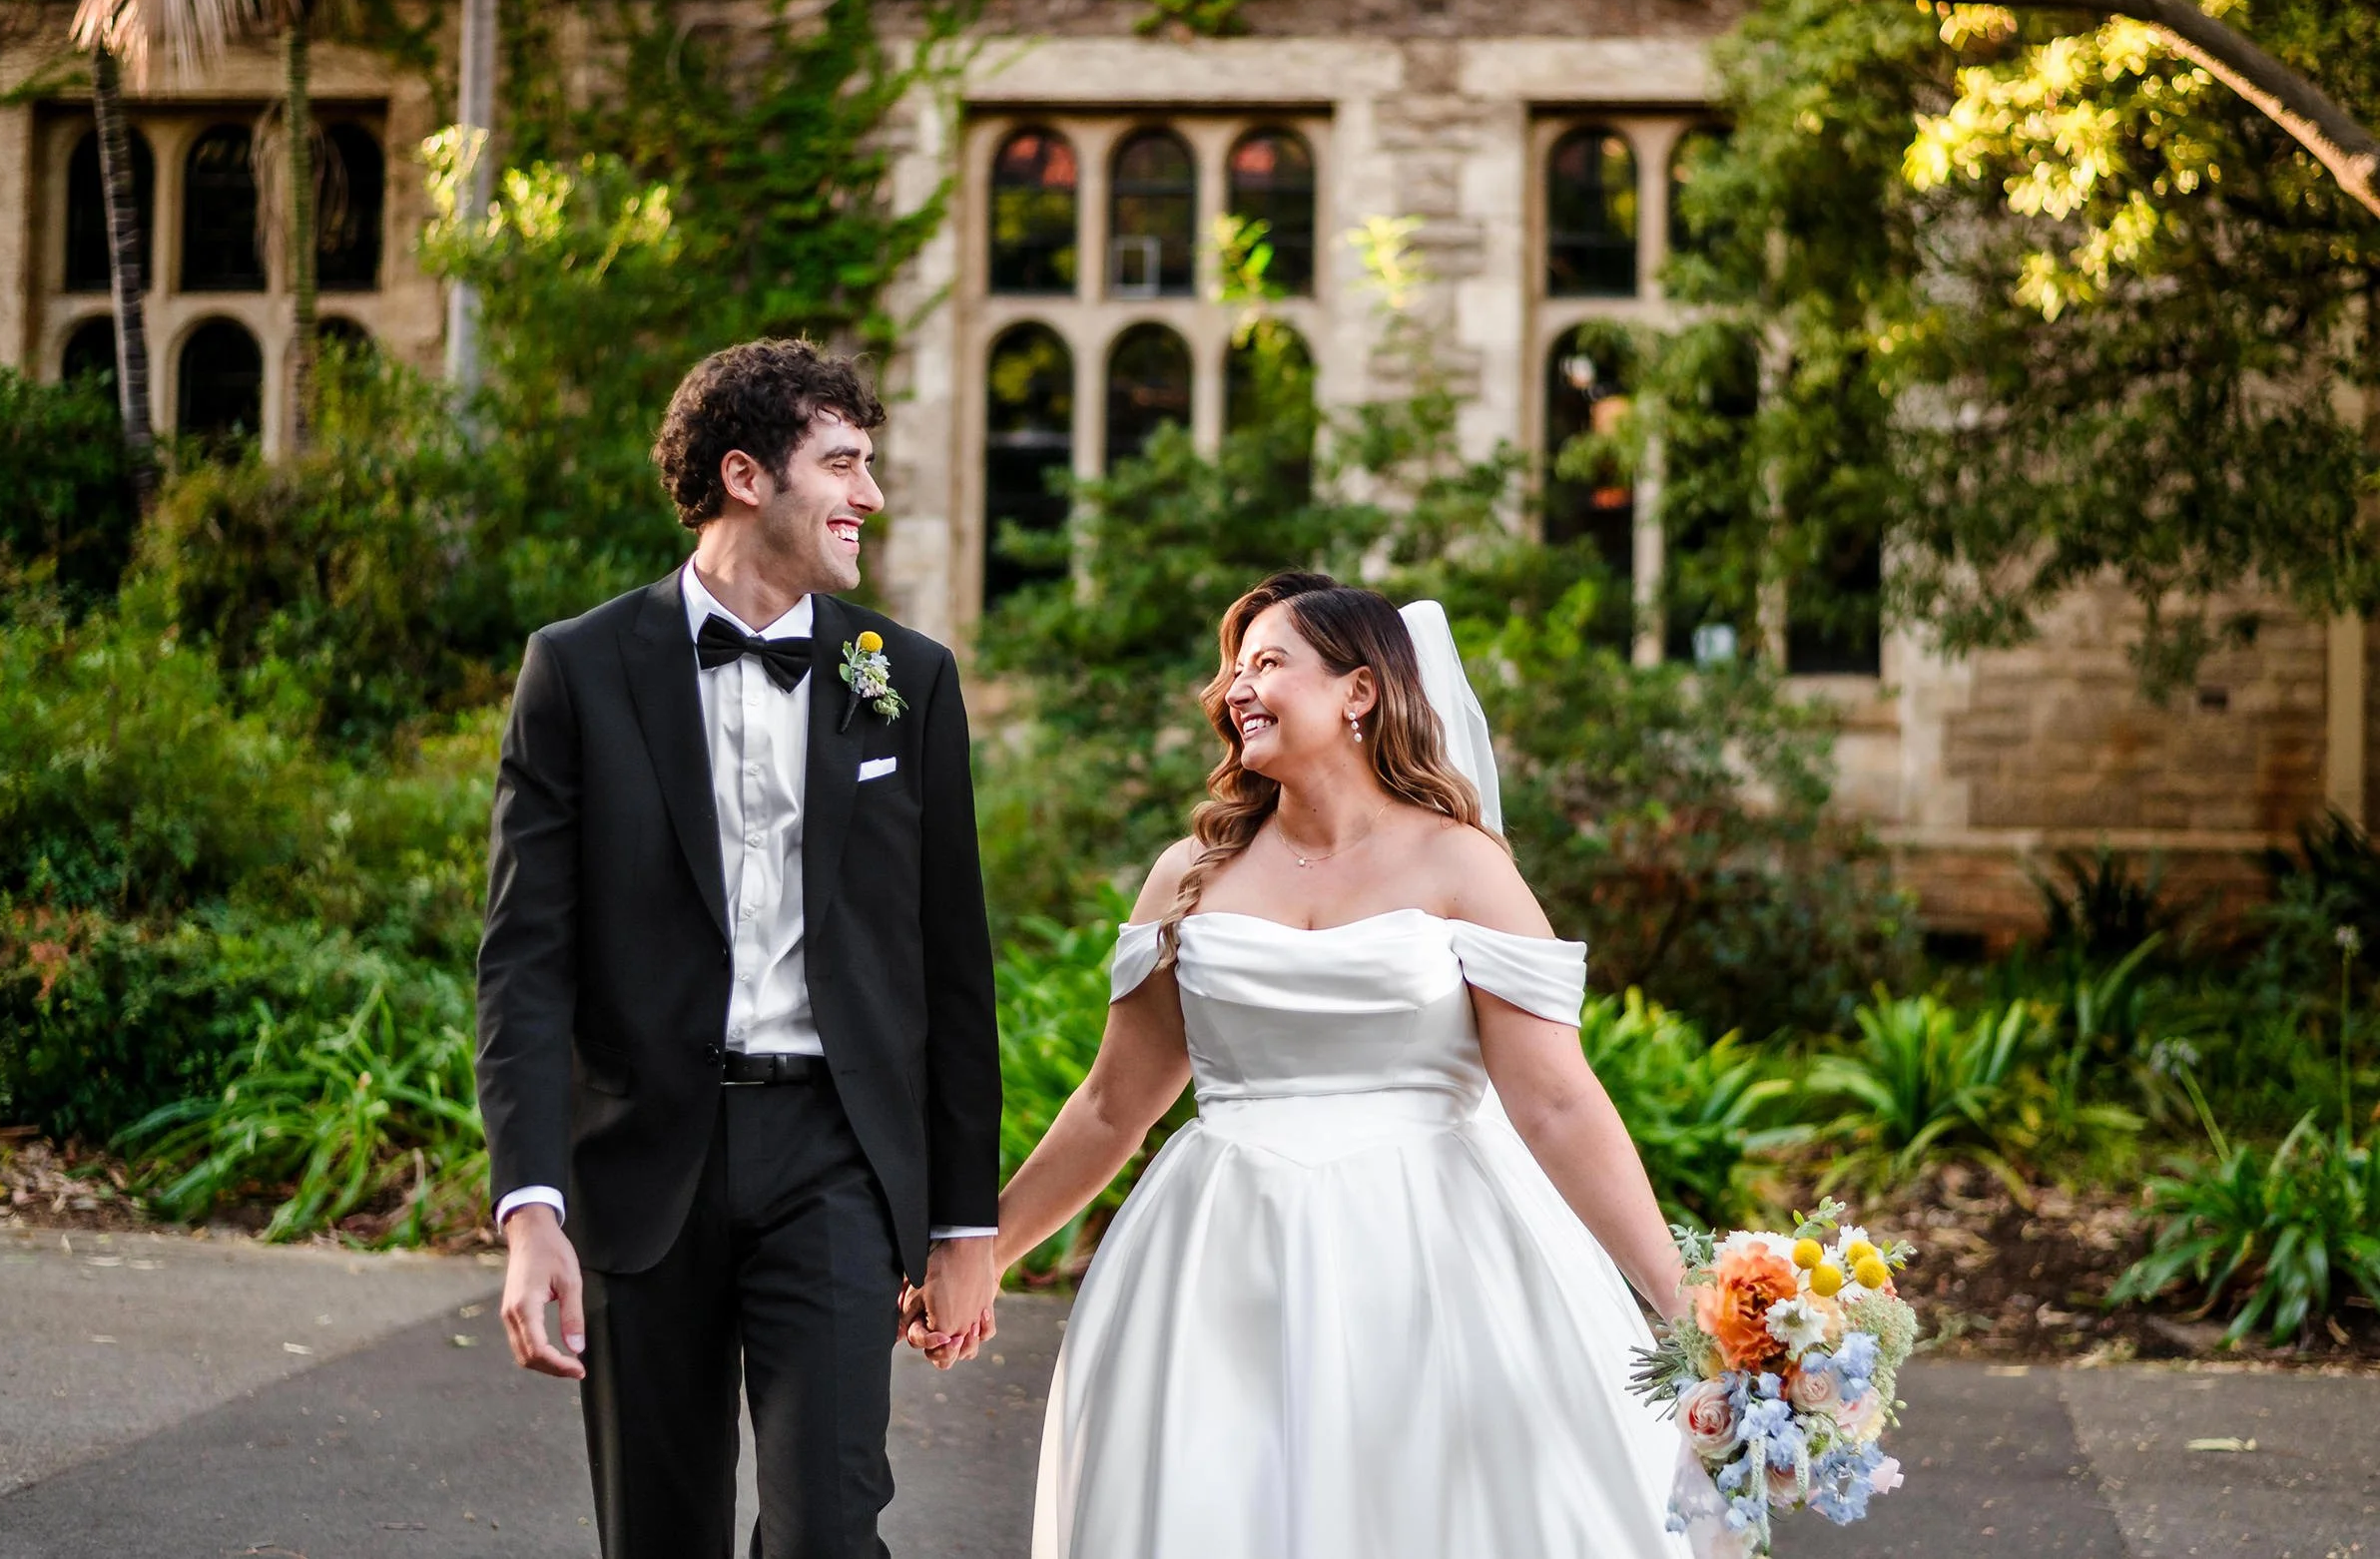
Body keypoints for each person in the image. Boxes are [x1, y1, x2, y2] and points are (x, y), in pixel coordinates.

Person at [926, 569, 1700, 1557]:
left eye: (1267, 663)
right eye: (1232, 670)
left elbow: (1554, 1102)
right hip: (1219, 1264)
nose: (1235, 688)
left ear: (1358, 690)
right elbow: (1114, 1104)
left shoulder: (1462, 864)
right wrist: (984, 1253)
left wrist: (1686, 1302)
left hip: (1434, 1258)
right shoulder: (1189, 873)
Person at [476, 338, 1003, 1559]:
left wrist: (963, 1223)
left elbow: (951, 965)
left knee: (829, 1528)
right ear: (746, 476)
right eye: (843, 464)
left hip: (834, 1156)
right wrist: (530, 1207)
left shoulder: (905, 678)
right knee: (658, 1531)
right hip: (641, 1160)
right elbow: (525, 961)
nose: (871, 494)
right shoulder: (579, 668)